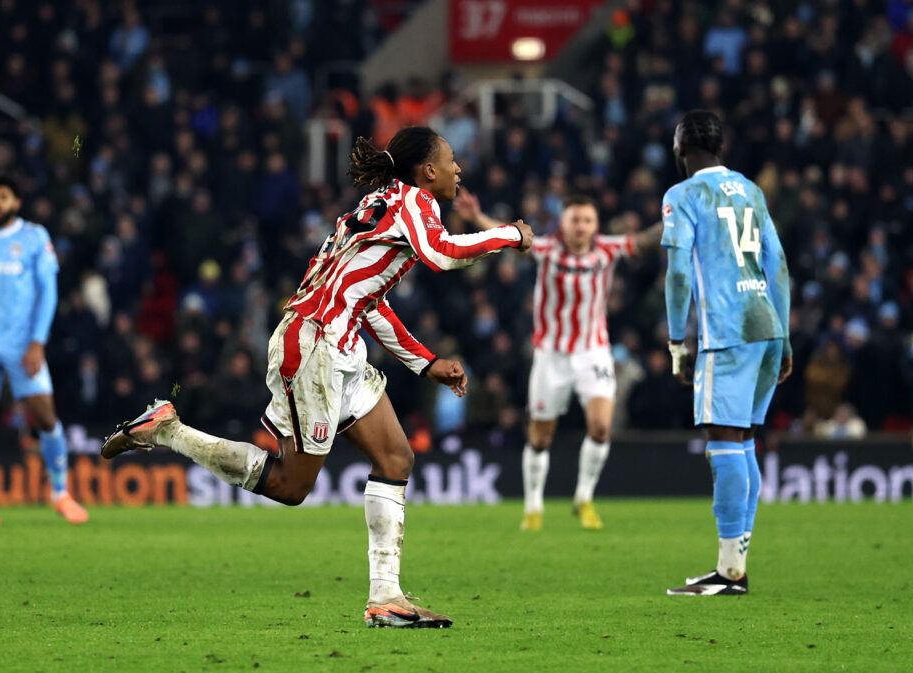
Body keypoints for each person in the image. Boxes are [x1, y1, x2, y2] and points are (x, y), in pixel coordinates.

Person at [100, 127, 533, 628]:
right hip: (314, 345)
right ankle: (168, 431)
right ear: (427, 171)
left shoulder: (381, 202)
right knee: (291, 485)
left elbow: (367, 300)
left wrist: (424, 361)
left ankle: (386, 598)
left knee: (396, 456)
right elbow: (442, 254)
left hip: (337, 343)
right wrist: (511, 235)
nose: (459, 169)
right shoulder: (415, 203)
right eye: (451, 160)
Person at [453, 191, 662, 531]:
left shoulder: (607, 249)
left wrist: (679, 217)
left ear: (595, 225)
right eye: (575, 220)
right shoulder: (547, 249)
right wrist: (477, 217)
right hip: (551, 355)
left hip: (593, 351)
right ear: (563, 223)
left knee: (601, 427)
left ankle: (584, 498)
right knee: (539, 438)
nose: (581, 226)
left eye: (587, 220)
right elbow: (508, 237)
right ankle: (533, 506)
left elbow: (645, 240)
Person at [660, 110, 791, 596]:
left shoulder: (683, 195)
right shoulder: (752, 191)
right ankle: (734, 566)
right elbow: (777, 265)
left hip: (728, 331)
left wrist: (677, 340)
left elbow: (677, 273)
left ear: (680, 151)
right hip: (767, 326)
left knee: (722, 440)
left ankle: (730, 572)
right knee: (743, 440)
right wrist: (786, 334)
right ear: (722, 146)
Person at [0, 176, 88, 526]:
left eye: (3, 197)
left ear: (16, 202)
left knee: (44, 416)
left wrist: (38, 341)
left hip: (22, 342)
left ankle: (61, 494)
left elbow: (48, 292)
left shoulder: (34, 237)